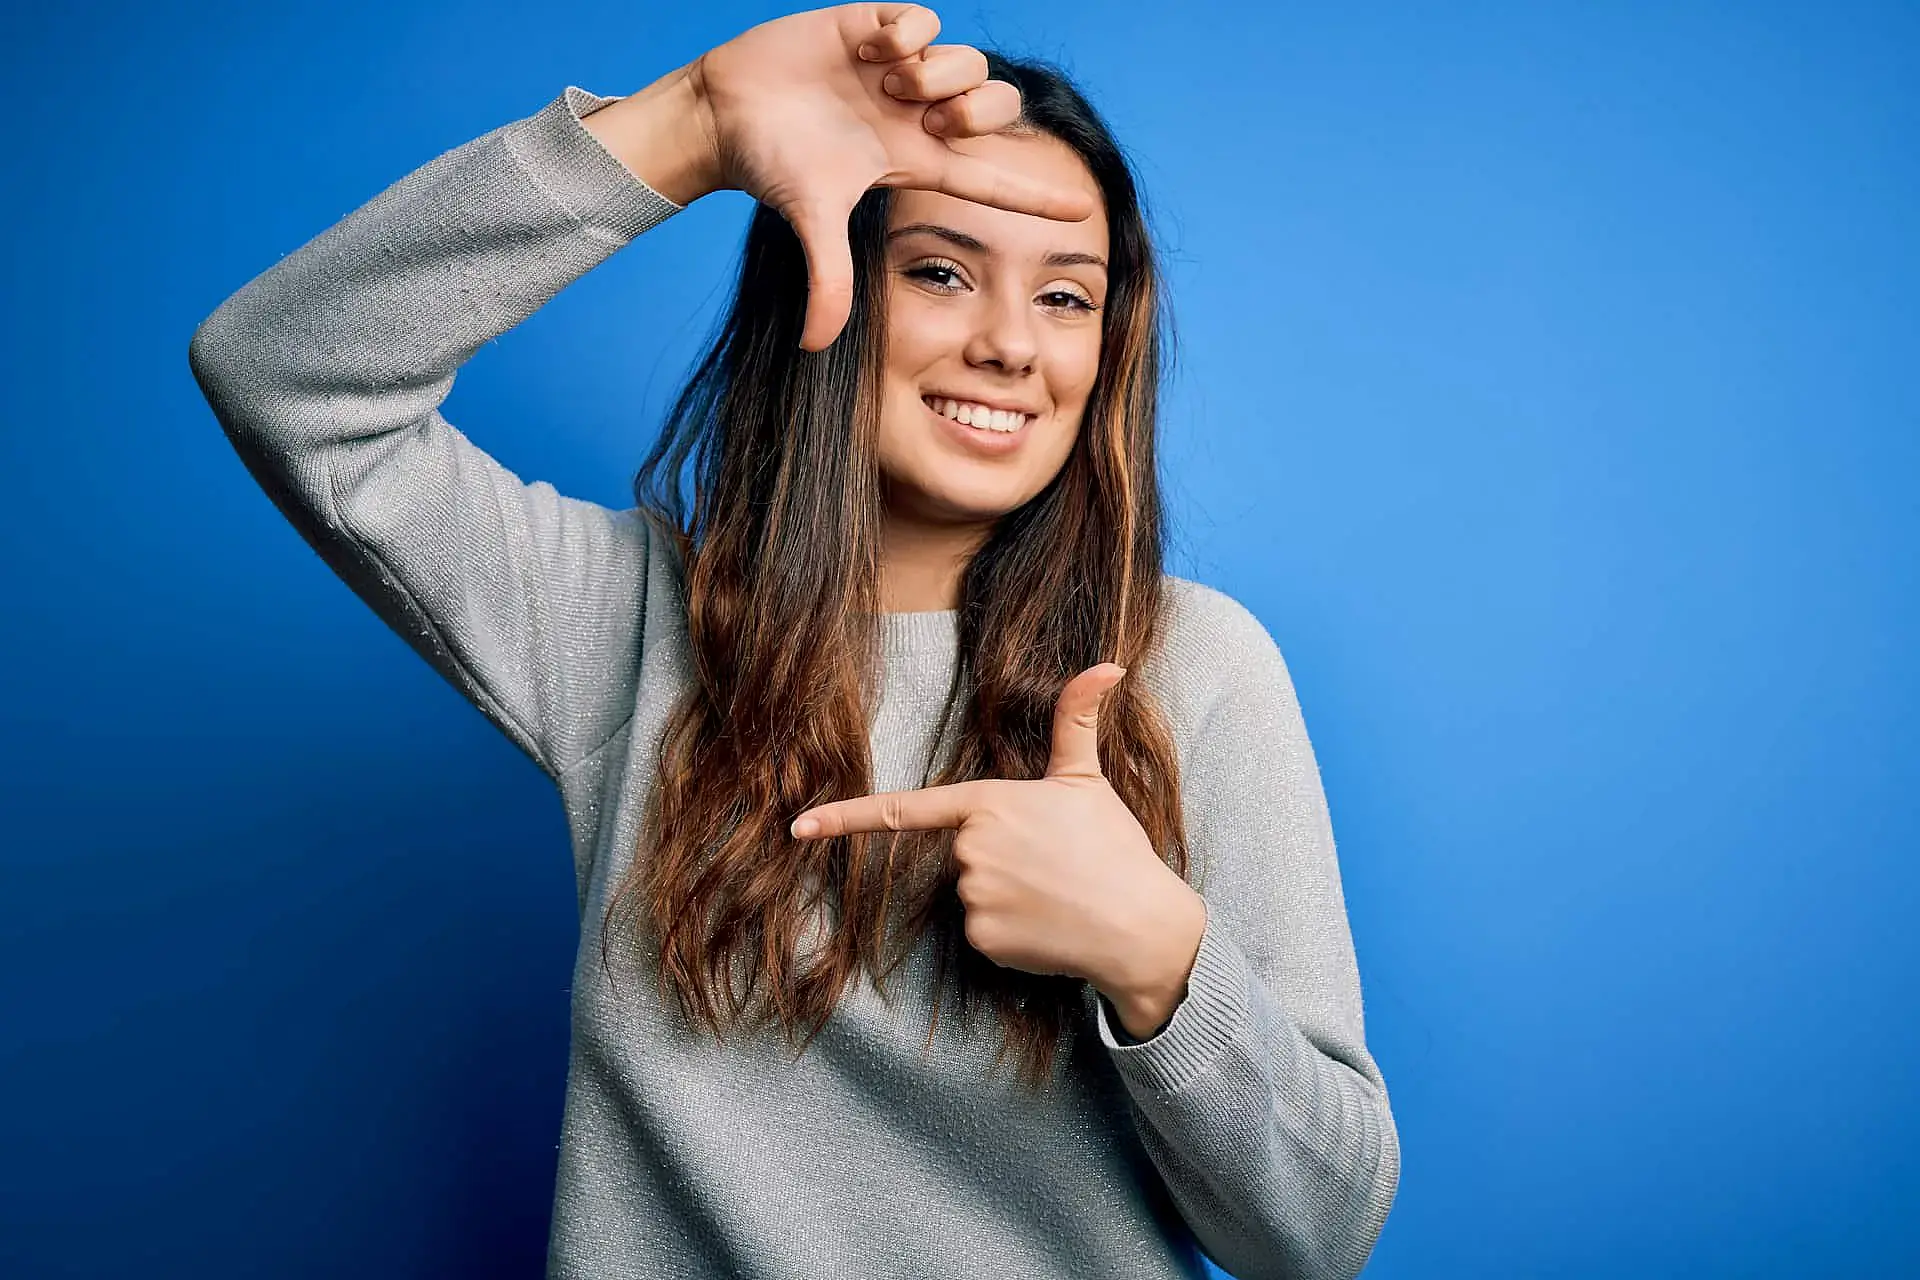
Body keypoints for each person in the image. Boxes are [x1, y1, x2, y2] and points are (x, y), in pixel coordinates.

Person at [186, 4, 1400, 1276]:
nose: (1008, 342)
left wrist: (1158, 956)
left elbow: (1320, 1234)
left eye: (1065, 296)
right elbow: (282, 374)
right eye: (940, 270)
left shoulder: (1192, 668)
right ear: (830, 282)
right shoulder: (625, 618)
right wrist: (692, 127)